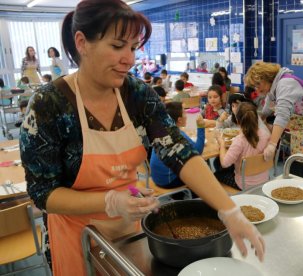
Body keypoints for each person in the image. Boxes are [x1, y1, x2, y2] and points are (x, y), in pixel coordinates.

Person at [20, 1, 264, 275]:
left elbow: (178, 151)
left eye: (133, 48)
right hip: (78, 236)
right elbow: (43, 193)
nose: (130, 58)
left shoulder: (136, 95)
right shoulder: (48, 105)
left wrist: (229, 210)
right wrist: (109, 201)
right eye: (117, 46)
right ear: (82, 42)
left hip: (129, 232)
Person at [245, 62, 303, 180]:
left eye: (258, 85)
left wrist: (272, 144)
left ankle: (300, 190)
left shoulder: (285, 83)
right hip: (302, 123)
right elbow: (268, 105)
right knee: (302, 161)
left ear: (266, 77)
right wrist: (260, 118)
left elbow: (282, 115)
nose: (257, 90)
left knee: (296, 164)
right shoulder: (274, 85)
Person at [215, 102, 270, 190]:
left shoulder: (240, 141)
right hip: (264, 179)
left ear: (237, 120)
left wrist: (221, 143)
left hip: (244, 185)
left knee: (216, 174)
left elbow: (224, 163)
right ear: (257, 118)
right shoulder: (266, 135)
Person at [150, 102, 205, 188]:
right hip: (168, 181)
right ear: (179, 119)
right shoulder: (177, 135)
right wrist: (201, 126)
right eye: (184, 112)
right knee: (203, 169)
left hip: (157, 177)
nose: (186, 114)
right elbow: (198, 152)